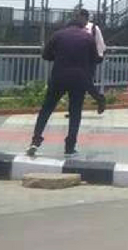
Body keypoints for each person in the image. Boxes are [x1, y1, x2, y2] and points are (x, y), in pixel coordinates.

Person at [27, 10, 100, 157]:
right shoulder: (88, 38)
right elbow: (95, 59)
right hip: (79, 79)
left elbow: (45, 55)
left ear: (68, 25)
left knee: (46, 109)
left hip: (59, 77)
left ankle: (35, 141)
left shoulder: (58, 35)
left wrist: (59, 56)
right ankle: (69, 147)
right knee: (75, 113)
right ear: (81, 26)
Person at [77, 8, 107, 115]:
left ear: (84, 17)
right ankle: (75, 110)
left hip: (90, 60)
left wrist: (99, 56)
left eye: (79, 16)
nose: (77, 19)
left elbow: (100, 43)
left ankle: (99, 99)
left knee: (86, 83)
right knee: (77, 86)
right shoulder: (75, 28)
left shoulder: (93, 28)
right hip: (77, 60)